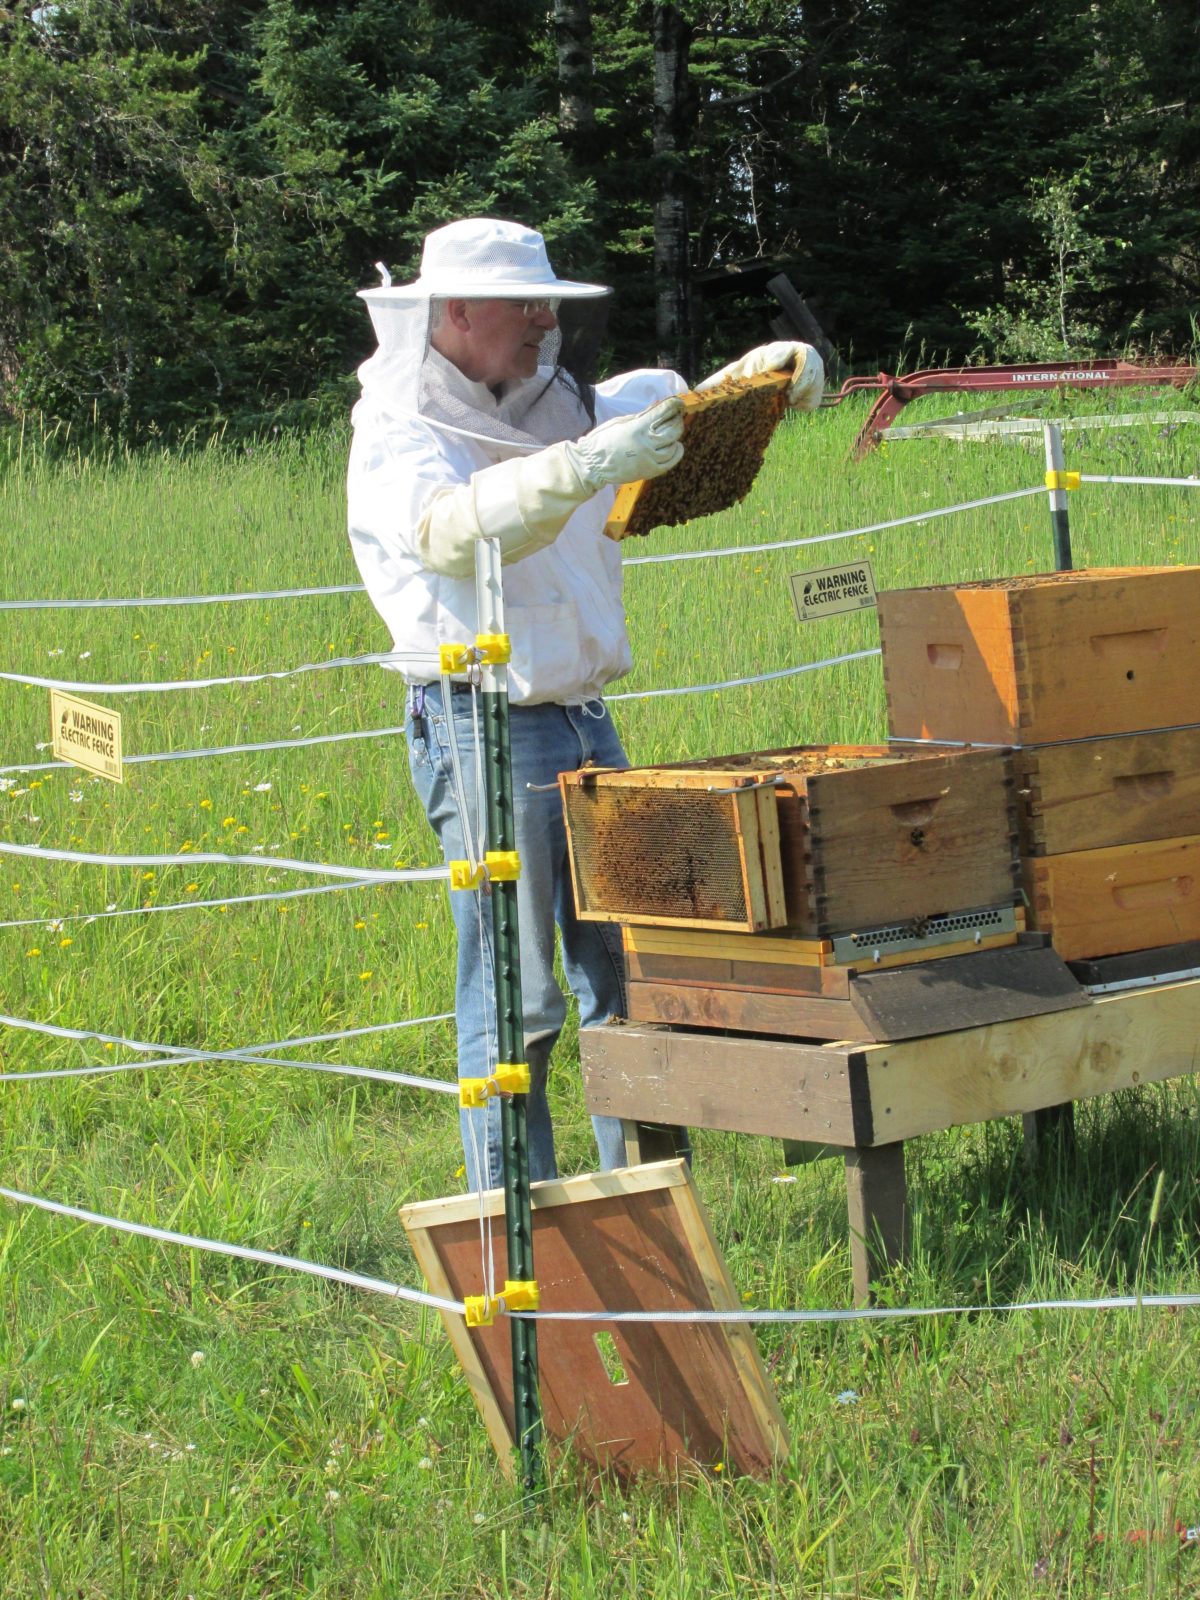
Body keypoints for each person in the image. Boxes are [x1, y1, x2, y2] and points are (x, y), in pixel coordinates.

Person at [347, 216, 823, 1191]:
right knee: (518, 997)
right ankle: (521, 1236)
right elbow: (447, 532)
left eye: (547, 303)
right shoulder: (398, 430)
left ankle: (648, 1210)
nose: (538, 320)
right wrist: (585, 467)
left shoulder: (557, 397)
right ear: (455, 310)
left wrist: (762, 380)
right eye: (521, 303)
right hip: (480, 725)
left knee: (624, 977)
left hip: (584, 718)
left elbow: (653, 419)